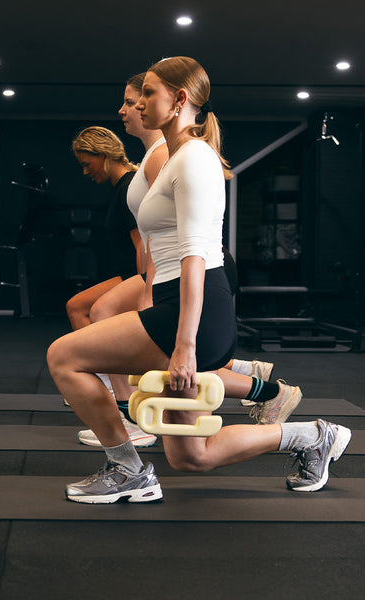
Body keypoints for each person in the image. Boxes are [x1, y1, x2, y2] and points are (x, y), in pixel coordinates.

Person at [46, 56, 351, 504]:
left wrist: (184, 345)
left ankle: (126, 468)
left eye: (149, 93)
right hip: (182, 304)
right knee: (192, 457)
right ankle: (313, 436)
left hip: (193, 308)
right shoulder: (173, 158)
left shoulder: (193, 159)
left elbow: (195, 256)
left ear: (179, 100)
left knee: (63, 356)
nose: (139, 102)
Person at [74, 74, 301, 448]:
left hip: (192, 271)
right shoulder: (156, 154)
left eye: (138, 98)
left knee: (96, 325)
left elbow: (183, 242)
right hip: (172, 274)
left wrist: (149, 294)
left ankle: (129, 416)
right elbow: (155, 234)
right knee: (191, 453)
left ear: (176, 101)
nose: (129, 108)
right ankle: (269, 394)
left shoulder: (170, 155)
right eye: (136, 98)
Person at [64, 126, 142, 331]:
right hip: (124, 275)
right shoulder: (119, 188)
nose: (85, 171)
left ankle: (100, 360)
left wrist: (147, 296)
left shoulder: (129, 189)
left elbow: (143, 247)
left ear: (104, 155)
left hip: (136, 277)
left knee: (77, 308)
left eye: (87, 164)